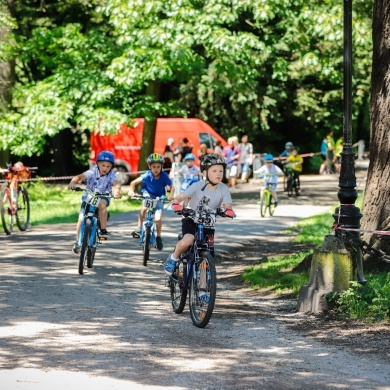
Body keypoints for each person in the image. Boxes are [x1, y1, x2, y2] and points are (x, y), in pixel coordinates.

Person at [164, 153, 235, 278]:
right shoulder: (197, 185)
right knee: (188, 240)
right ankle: (173, 258)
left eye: (221, 170)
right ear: (204, 172)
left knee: (207, 258)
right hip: (191, 218)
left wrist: (228, 211)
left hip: (208, 222)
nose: (218, 173)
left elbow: (227, 205)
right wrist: (176, 203)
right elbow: (182, 196)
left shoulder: (224, 189)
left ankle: (202, 291)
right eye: (214, 170)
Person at [68, 150, 122, 254]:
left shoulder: (111, 175)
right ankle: (78, 241)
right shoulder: (92, 172)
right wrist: (73, 182)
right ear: (97, 164)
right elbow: (79, 177)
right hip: (89, 197)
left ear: (111, 167)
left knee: (102, 205)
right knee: (80, 219)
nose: (105, 168)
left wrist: (116, 191)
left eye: (108, 166)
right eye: (103, 165)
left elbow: (116, 184)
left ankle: (103, 229)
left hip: (103, 196)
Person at [128, 153, 174, 250]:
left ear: (162, 167)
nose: (156, 169)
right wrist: (131, 191)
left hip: (159, 197)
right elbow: (133, 182)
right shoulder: (147, 175)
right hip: (148, 194)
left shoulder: (164, 176)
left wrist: (170, 195)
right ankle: (139, 228)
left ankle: (158, 237)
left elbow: (172, 187)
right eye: (153, 167)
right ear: (149, 166)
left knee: (157, 219)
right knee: (144, 208)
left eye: (158, 166)